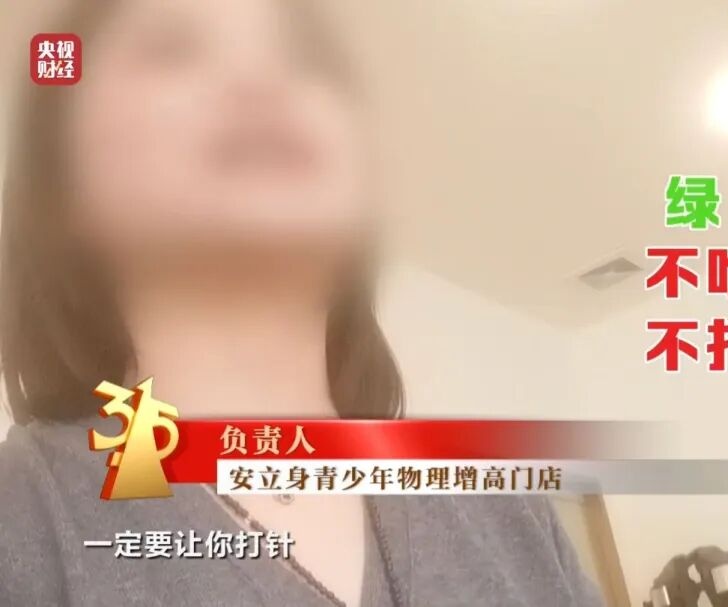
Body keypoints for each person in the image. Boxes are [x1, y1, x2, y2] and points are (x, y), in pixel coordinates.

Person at [0, 1, 601, 606]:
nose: (261, 76)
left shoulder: (499, 500)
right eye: (173, 49)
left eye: (305, 57)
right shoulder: (26, 513)